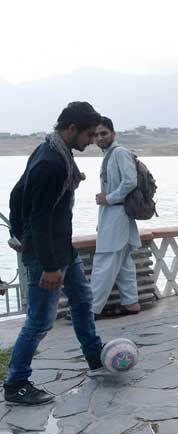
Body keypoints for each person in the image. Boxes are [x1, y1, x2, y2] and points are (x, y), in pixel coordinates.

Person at [5, 102, 106, 404]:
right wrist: (47, 264)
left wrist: (18, 233)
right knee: (40, 320)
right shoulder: (51, 162)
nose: (92, 140)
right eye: (89, 134)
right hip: (47, 256)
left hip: (63, 248)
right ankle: (16, 383)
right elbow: (40, 217)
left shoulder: (51, 151)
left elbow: (16, 193)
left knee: (82, 299)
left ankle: (95, 357)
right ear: (72, 128)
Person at [91, 116, 141, 317]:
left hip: (117, 214)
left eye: (104, 133)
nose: (99, 138)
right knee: (123, 263)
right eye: (96, 135)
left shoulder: (119, 153)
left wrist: (108, 198)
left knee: (104, 261)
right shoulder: (109, 155)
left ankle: (91, 309)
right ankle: (131, 303)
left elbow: (130, 182)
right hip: (114, 215)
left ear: (113, 134)